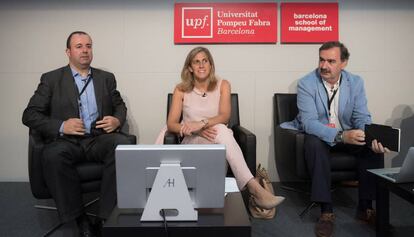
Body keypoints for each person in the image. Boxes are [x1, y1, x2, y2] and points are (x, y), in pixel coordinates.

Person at [22, 31, 133, 237]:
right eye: (79, 46)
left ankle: (103, 217)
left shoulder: (105, 78)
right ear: (68, 51)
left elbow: (119, 105)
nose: (85, 50)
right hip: (66, 142)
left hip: (96, 139)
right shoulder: (52, 79)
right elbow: (30, 115)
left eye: (89, 46)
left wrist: (117, 119)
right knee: (53, 154)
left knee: (122, 146)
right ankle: (79, 218)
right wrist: (62, 125)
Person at [155, 46, 284, 211]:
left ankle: (248, 191)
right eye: (196, 62)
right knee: (222, 131)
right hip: (192, 141)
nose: (201, 65)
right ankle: (254, 188)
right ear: (190, 68)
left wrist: (201, 123)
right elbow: (172, 123)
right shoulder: (181, 89)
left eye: (205, 61)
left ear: (210, 65)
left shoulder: (223, 85)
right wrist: (196, 130)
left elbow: (224, 116)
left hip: (217, 141)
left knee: (222, 130)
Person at [281, 41, 387, 237]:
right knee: (313, 142)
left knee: (371, 146)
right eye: (322, 60)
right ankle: (326, 211)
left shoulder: (355, 82)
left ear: (343, 63)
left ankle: (366, 207)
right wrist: (340, 136)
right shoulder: (306, 83)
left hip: (347, 134)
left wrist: (371, 136)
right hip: (321, 135)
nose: (324, 65)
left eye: (331, 61)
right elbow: (309, 123)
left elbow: (362, 117)